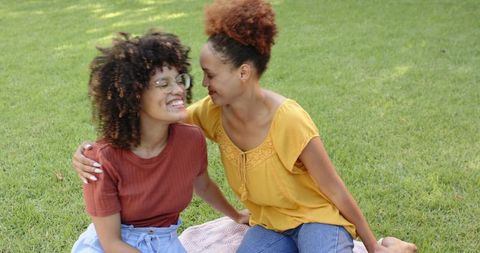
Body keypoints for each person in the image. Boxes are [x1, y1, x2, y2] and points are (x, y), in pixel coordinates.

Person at [73, 1, 417, 252]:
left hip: (315, 217)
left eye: (209, 75)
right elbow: (146, 121)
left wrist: (373, 246)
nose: (197, 85)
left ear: (243, 73)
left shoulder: (290, 120)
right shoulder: (208, 112)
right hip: (269, 224)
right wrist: (88, 152)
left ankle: (389, 246)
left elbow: (337, 190)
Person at [71, 29, 248, 253]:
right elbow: (111, 243)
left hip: (165, 242)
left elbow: (202, 184)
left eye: (179, 80)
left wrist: (236, 215)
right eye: (163, 84)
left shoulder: (191, 139)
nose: (178, 90)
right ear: (133, 95)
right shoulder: (100, 160)